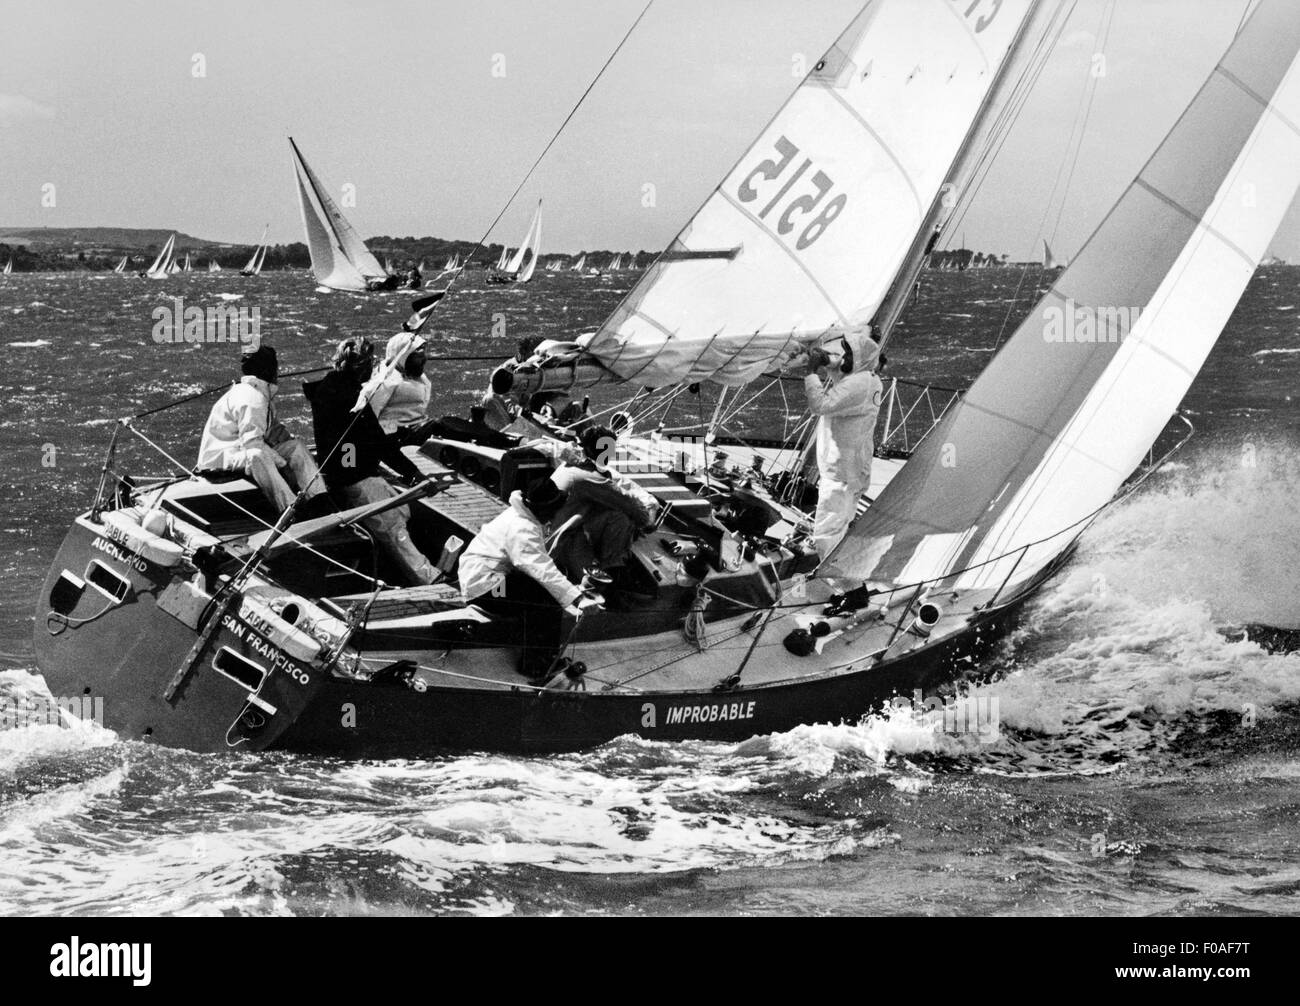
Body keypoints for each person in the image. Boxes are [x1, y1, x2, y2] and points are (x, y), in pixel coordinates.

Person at [306, 337, 435, 586]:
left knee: (401, 510)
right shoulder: (352, 399)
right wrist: (413, 473)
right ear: (359, 365)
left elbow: (360, 442)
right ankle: (427, 577)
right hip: (353, 477)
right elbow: (377, 441)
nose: (373, 368)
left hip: (344, 469)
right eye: (370, 363)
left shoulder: (330, 387)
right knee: (393, 525)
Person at [458, 478, 603, 679]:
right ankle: (536, 664)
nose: (553, 514)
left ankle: (540, 652)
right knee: (544, 598)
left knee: (544, 587)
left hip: (488, 577)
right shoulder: (521, 527)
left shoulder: (522, 514)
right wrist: (577, 598)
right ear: (542, 508)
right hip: (486, 588)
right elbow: (541, 569)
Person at [197, 345, 334, 519]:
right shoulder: (252, 398)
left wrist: (290, 446)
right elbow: (253, 444)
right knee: (257, 455)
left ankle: (318, 498)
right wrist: (283, 465)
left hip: (239, 452)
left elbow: (274, 431)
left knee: (296, 447)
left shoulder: (260, 394)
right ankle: (290, 509)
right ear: (268, 369)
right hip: (220, 459)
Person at [791, 324, 883, 558]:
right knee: (837, 529)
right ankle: (842, 582)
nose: (843, 357)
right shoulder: (865, 377)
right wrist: (823, 358)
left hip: (841, 476)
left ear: (858, 358)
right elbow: (841, 368)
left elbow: (819, 405)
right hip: (849, 472)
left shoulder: (860, 385)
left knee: (826, 535)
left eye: (848, 353)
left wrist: (811, 371)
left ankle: (843, 588)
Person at [550, 425, 658, 584]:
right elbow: (638, 514)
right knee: (621, 518)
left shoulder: (571, 465)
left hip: (557, 524)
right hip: (565, 538)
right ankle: (613, 569)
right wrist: (649, 517)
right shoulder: (591, 478)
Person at [355, 332, 433, 446]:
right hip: (396, 436)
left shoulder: (413, 373)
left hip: (416, 426)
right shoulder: (386, 381)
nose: (424, 360)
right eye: (418, 355)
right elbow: (367, 415)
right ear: (403, 356)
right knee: (439, 426)